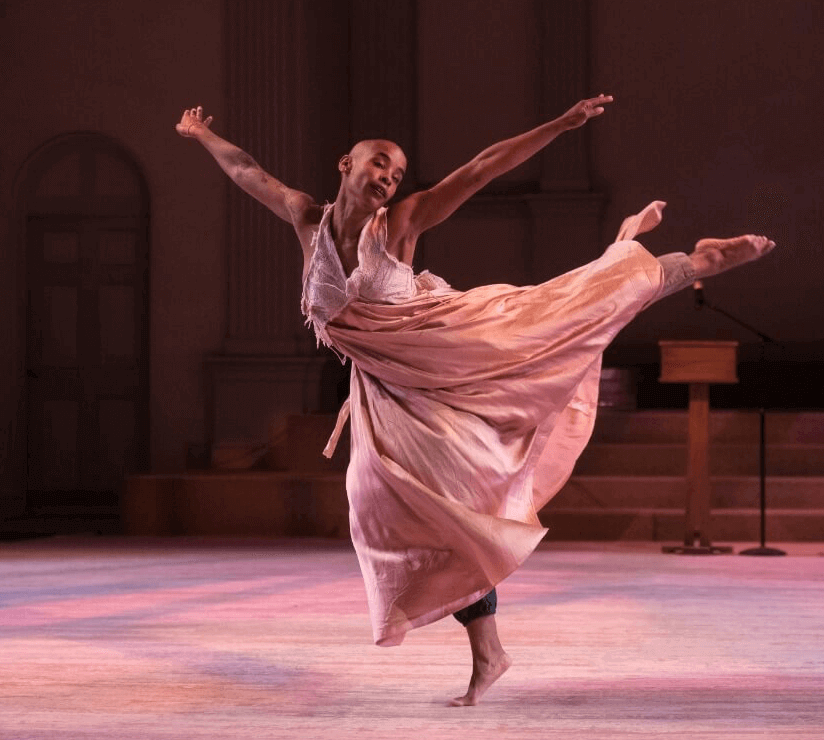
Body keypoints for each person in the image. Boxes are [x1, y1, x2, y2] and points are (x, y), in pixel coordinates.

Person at [176, 96, 775, 706]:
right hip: (389, 388)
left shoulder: (401, 223)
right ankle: (490, 652)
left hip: (448, 345)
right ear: (345, 164)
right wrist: (200, 134)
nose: (388, 178)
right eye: (380, 164)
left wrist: (561, 125)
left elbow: (480, 168)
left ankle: (693, 260)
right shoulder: (306, 217)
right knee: (386, 505)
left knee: (561, 313)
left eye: (397, 173)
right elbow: (248, 170)